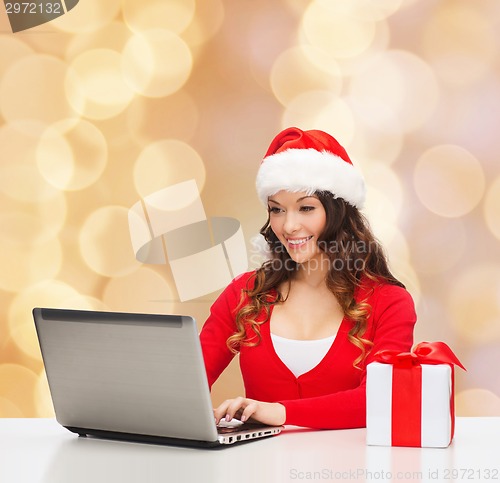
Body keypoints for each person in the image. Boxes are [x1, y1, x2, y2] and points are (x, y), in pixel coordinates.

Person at [199, 127, 417, 429]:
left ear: (338, 212)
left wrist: (280, 412)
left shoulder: (389, 302)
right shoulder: (245, 293)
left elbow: (381, 399)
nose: (289, 226)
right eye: (277, 210)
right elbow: (187, 384)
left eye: (306, 208)